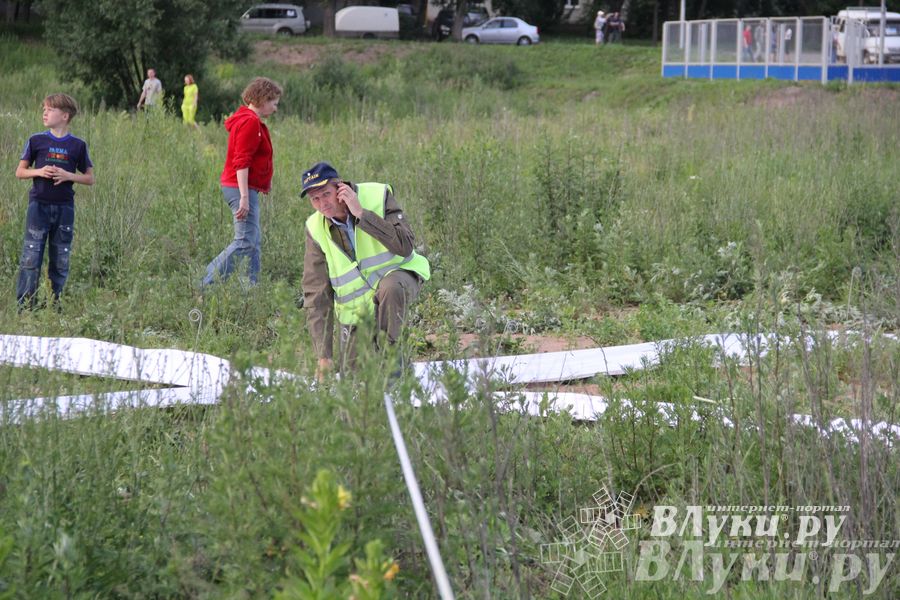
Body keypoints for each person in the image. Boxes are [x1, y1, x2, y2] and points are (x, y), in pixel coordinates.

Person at [300, 162, 430, 379]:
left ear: (340, 188)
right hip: (356, 310)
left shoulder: (377, 195)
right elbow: (316, 293)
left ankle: (392, 359)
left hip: (398, 279)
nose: (322, 203)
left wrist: (361, 214)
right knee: (355, 380)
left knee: (391, 289)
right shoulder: (315, 228)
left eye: (326, 194)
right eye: (315, 199)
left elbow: (405, 245)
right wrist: (323, 356)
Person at [201, 77, 282, 289]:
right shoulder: (249, 122)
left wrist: (262, 182)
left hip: (243, 188)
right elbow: (242, 161)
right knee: (245, 241)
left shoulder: (248, 120)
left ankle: (250, 289)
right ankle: (205, 284)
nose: (275, 109)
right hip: (239, 189)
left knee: (253, 242)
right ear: (263, 99)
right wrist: (244, 197)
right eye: (274, 103)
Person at [15, 93, 94, 307]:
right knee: (31, 256)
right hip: (38, 207)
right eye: (44, 108)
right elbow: (20, 172)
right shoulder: (36, 140)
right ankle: (25, 306)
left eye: (50, 109)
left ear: (65, 116)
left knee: (60, 258)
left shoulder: (78, 145)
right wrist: (40, 171)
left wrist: (69, 176)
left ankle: (53, 304)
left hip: (64, 208)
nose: (45, 112)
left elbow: (89, 178)